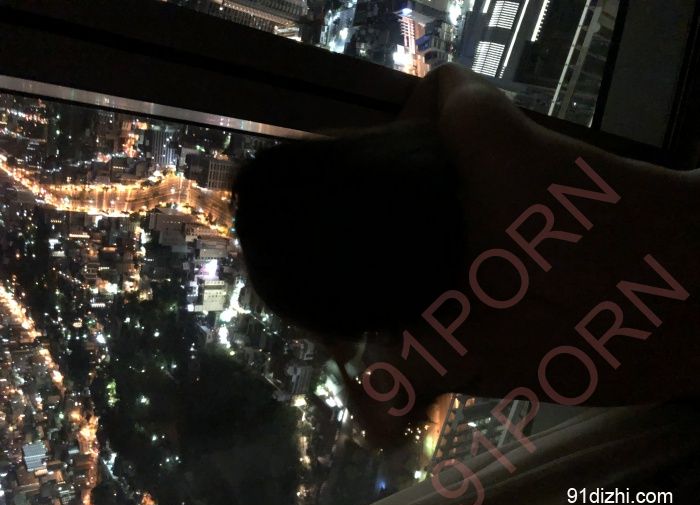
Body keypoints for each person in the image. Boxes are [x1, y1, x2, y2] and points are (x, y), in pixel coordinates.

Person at [233, 63, 700, 448]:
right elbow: (444, 76)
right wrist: (384, 158)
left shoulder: (428, 350)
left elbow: (381, 430)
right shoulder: (481, 136)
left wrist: (334, 346)